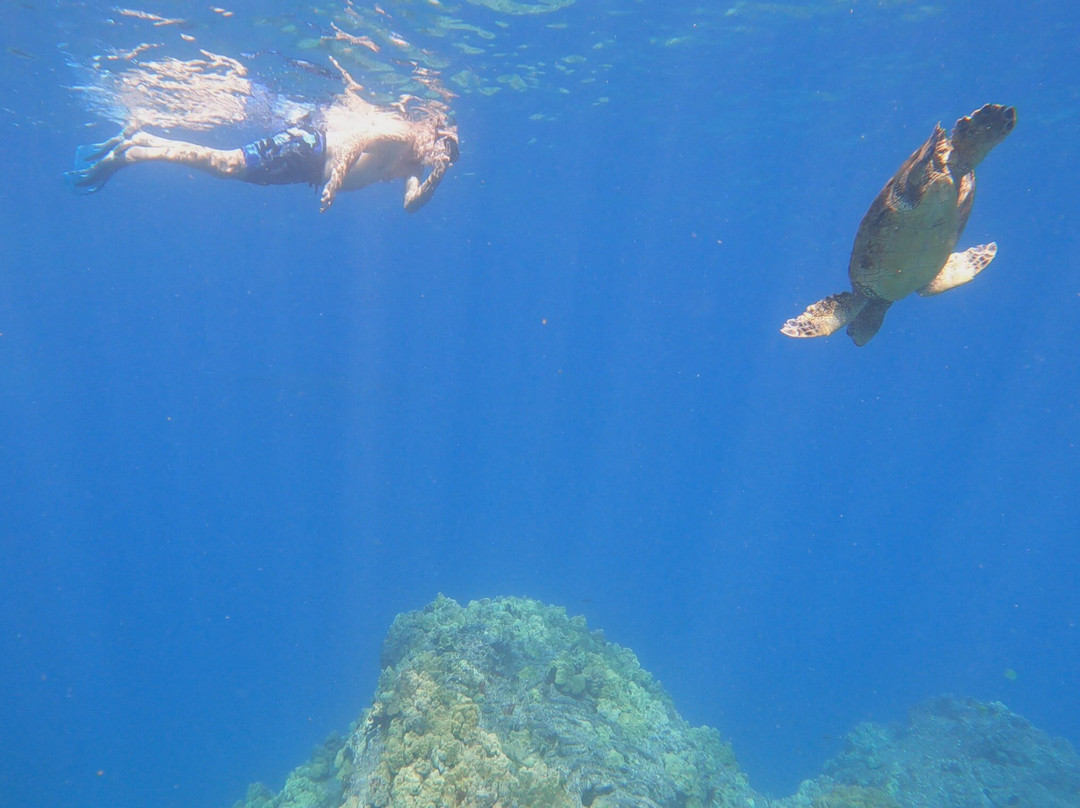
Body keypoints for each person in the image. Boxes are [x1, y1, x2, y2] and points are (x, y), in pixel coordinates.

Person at [66, 58, 459, 213]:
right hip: (308, 154)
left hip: (304, 163)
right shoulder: (400, 134)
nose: (440, 159)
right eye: (444, 151)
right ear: (433, 135)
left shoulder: (412, 164)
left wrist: (436, 177)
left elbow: (411, 205)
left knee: (224, 164)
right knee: (225, 164)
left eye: (447, 160)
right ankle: (134, 154)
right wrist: (335, 183)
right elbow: (359, 141)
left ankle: (144, 140)